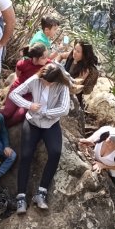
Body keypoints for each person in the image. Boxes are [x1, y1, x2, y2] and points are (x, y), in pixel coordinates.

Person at [9, 63, 71, 214]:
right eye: (44, 80)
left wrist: (45, 111)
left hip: (51, 123)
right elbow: (14, 94)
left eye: (49, 82)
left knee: (55, 152)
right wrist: (29, 105)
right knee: (26, 155)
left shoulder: (63, 85)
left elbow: (64, 108)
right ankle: (21, 197)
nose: (45, 83)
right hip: (32, 122)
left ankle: (41, 192)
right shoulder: (35, 79)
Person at [0, 44, 51, 126]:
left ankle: (4, 127)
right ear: (35, 58)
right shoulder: (23, 63)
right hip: (18, 88)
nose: (47, 59)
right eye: (43, 57)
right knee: (7, 113)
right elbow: (18, 75)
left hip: (31, 94)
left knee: (19, 115)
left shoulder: (48, 64)